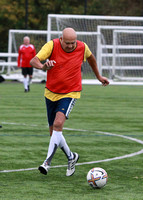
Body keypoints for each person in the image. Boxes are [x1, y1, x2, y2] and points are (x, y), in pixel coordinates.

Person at [30, 27, 109, 176]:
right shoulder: (51, 45)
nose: (71, 46)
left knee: (58, 124)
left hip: (71, 92)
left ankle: (47, 163)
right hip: (51, 93)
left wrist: (99, 76)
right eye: (68, 43)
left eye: (73, 42)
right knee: (54, 132)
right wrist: (43, 66)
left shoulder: (82, 47)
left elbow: (91, 59)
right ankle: (71, 157)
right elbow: (34, 60)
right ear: (61, 39)